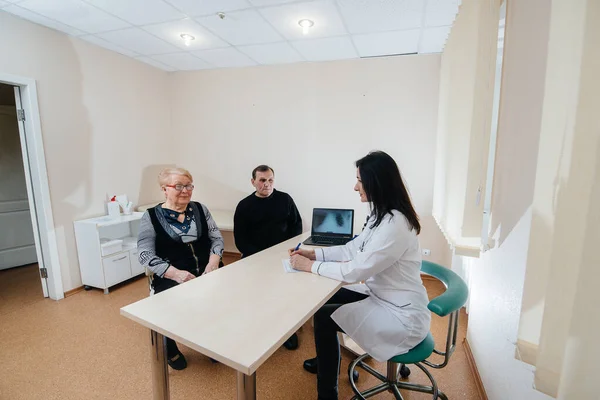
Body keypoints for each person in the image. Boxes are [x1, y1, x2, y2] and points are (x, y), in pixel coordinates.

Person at [289, 151, 431, 400]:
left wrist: (308, 266)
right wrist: (314, 255)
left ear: (377, 182)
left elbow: (356, 270)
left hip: (401, 316)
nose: (355, 187)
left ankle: (328, 392)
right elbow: (352, 248)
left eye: (360, 180)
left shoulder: (395, 224)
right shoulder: (381, 215)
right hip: (383, 295)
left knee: (324, 317)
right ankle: (326, 359)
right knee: (322, 300)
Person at [137, 167, 224, 370]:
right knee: (170, 310)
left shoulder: (200, 209)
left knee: (217, 306)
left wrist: (213, 264)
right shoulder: (150, 216)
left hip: (207, 270)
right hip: (171, 275)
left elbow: (216, 239)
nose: (185, 190)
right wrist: (176, 274)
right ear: (164, 189)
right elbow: (144, 254)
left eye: (188, 185)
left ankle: (210, 343)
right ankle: (170, 348)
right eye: (178, 186)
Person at [234, 164, 303, 349]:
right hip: (254, 258)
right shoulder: (244, 206)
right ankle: (258, 326)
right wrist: (261, 258)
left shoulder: (285, 199)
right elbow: (240, 240)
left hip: (282, 255)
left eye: (270, 180)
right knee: (255, 294)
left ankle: (288, 330)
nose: (267, 184)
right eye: (262, 180)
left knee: (286, 294)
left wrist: (287, 249)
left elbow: (296, 225)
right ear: (253, 182)